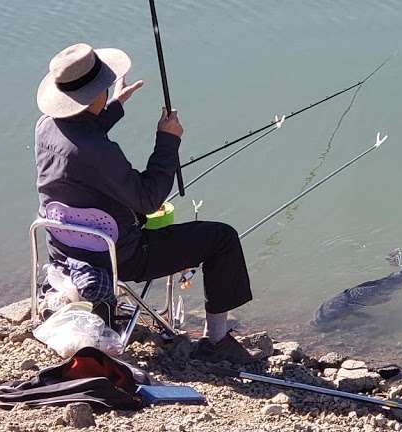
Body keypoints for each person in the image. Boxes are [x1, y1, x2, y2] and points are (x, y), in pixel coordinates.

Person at [34, 43, 253, 362]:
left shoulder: (45, 127)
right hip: (120, 257)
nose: (108, 90)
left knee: (131, 205)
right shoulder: (99, 153)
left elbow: (80, 136)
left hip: (65, 249)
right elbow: (150, 199)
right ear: (93, 95)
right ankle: (217, 342)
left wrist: (115, 106)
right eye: (104, 89)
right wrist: (168, 140)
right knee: (222, 238)